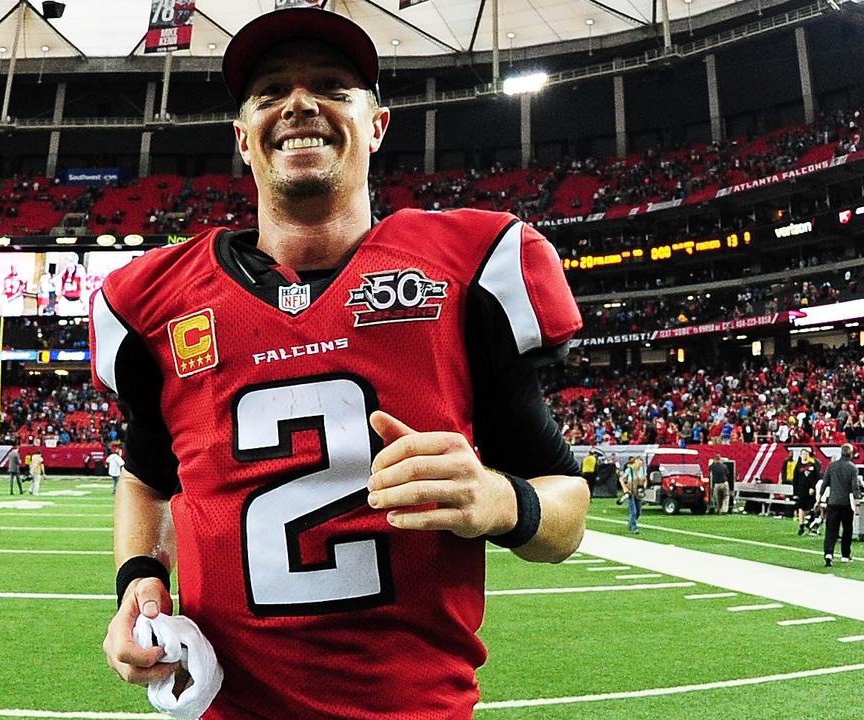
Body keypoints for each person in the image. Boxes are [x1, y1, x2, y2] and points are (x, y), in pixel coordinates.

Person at [92, 9, 589, 718]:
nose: (299, 103)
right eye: (269, 93)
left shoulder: (467, 271)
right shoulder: (157, 299)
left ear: (377, 125)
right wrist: (139, 578)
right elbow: (147, 474)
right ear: (242, 138)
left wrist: (499, 500)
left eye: (332, 86)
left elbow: (566, 512)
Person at [814, 444, 864, 566]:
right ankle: (845, 555)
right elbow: (855, 488)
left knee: (831, 530)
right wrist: (857, 504)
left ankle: (828, 553)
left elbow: (824, 483)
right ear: (850, 453)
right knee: (847, 529)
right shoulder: (852, 468)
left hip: (833, 502)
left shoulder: (832, 466)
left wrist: (818, 500)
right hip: (846, 503)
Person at [792, 448, 821, 535]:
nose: (804, 455)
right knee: (801, 507)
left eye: (806, 453)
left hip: (810, 491)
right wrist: (795, 493)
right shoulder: (798, 466)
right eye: (802, 453)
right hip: (801, 490)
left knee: (811, 508)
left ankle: (810, 523)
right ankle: (801, 525)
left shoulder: (812, 465)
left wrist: (813, 487)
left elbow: (817, 477)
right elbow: (795, 479)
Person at [620, 456, 645, 533]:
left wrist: (644, 486)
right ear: (635, 461)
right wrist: (625, 488)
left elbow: (645, 479)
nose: (640, 462)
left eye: (641, 461)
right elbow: (621, 479)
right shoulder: (629, 470)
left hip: (639, 492)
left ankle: (631, 520)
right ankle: (634, 528)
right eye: (638, 460)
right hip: (631, 491)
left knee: (638, 512)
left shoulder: (642, 470)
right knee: (633, 511)